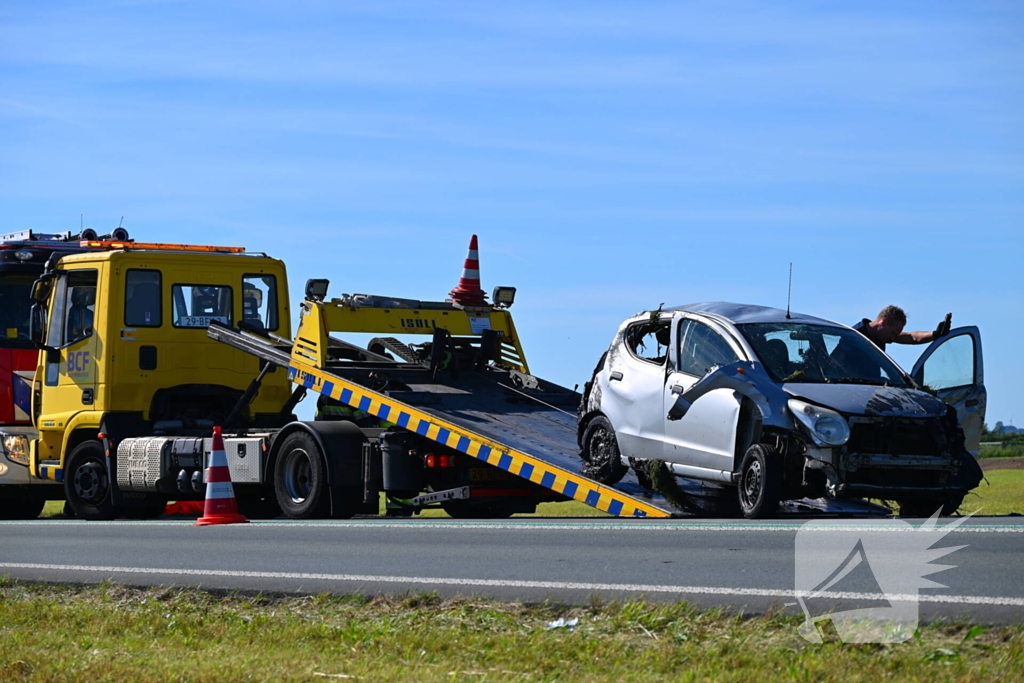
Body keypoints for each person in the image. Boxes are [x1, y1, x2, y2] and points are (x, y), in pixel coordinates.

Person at [852, 305, 952, 352]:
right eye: (893, 333)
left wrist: (935, 334)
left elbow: (911, 337)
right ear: (884, 322)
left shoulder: (882, 335)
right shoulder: (853, 336)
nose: (892, 339)